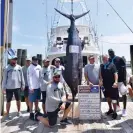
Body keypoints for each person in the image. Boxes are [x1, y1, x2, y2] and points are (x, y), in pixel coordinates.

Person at [108, 49, 127, 116]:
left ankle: (124, 109)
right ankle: (117, 107)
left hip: (121, 80)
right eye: (109, 53)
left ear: (114, 52)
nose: (110, 54)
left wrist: (125, 80)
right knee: (115, 95)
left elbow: (124, 69)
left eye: (112, 52)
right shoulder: (109, 60)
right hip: (113, 82)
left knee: (124, 94)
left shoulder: (120, 59)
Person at [99, 54, 119, 119]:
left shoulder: (112, 65)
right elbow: (100, 74)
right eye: (103, 59)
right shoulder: (101, 66)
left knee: (114, 99)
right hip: (105, 85)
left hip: (112, 85)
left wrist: (116, 82)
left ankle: (115, 112)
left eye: (106, 58)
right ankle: (110, 109)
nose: (105, 60)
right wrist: (101, 81)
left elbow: (115, 74)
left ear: (108, 58)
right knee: (108, 98)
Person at [27, 56, 42, 120]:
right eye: (34, 60)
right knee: (31, 101)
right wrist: (31, 87)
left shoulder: (39, 66)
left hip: (39, 87)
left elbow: (41, 76)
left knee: (37, 100)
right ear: (32, 60)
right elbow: (29, 78)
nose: (36, 61)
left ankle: (36, 111)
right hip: (33, 88)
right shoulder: (30, 68)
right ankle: (31, 113)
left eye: (36, 60)